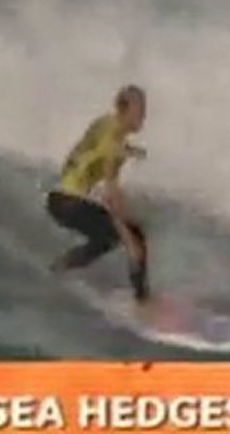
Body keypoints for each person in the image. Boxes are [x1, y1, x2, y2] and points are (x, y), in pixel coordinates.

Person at [46, 85, 151, 304]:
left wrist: (130, 150)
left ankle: (59, 268)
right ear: (124, 109)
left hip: (59, 198)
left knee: (106, 238)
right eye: (139, 111)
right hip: (69, 202)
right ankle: (143, 301)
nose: (143, 117)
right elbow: (110, 194)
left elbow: (92, 148)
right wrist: (128, 238)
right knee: (133, 237)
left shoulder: (106, 123)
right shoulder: (113, 143)